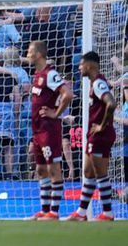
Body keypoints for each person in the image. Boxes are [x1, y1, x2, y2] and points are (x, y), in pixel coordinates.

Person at [67, 52, 116, 221]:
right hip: (94, 135)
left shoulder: (98, 83)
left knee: (100, 173)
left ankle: (108, 213)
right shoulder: (94, 84)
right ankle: (81, 213)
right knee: (88, 172)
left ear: (90, 65)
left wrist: (102, 125)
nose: (79, 67)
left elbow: (111, 103)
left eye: (81, 64)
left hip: (100, 136)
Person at [26, 40, 72, 220]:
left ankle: (54, 212)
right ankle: (44, 210)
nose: (27, 54)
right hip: (37, 129)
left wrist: (56, 113)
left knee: (54, 169)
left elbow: (68, 94)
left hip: (49, 129)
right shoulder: (37, 74)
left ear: (38, 54)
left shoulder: (50, 74)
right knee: (41, 169)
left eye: (30, 51)